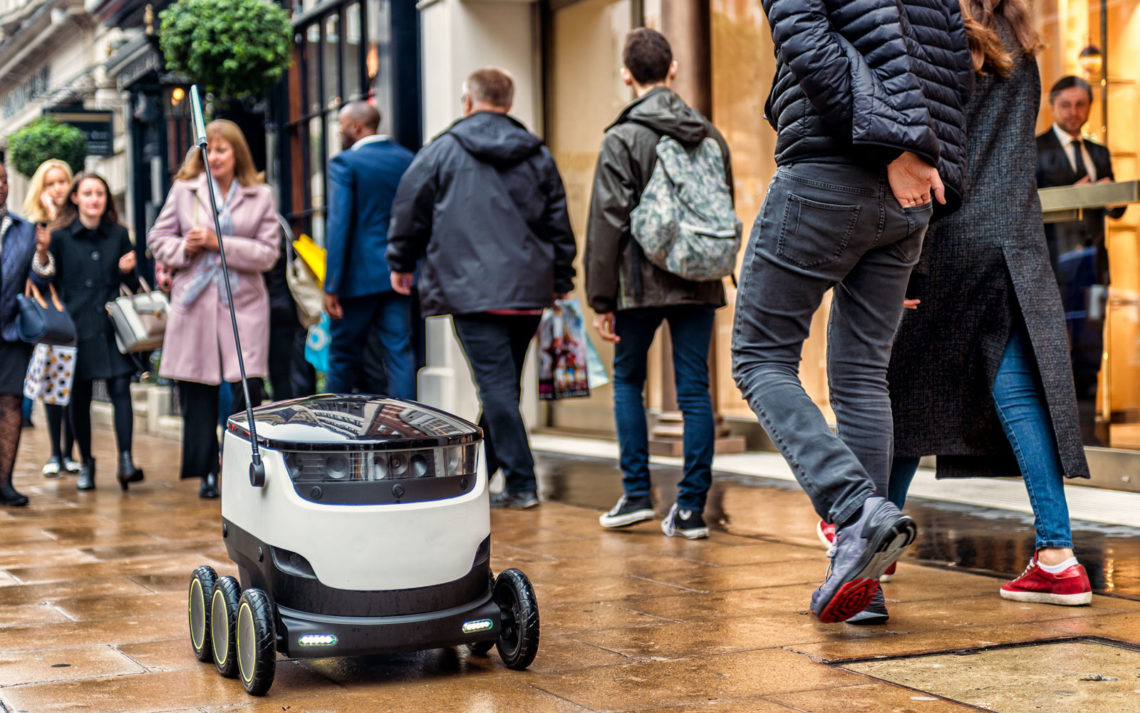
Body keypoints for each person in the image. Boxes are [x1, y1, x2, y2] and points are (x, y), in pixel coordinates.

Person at [730, 0, 972, 623]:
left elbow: (805, 38)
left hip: (835, 171)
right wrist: (924, 164)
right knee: (863, 376)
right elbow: (951, 72)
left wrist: (891, 147)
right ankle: (864, 579)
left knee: (760, 358)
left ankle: (854, 511)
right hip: (910, 194)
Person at [886, 0, 1093, 616]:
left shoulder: (944, 36)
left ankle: (874, 536)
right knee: (1018, 391)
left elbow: (930, 151)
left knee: (905, 385)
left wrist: (906, 258)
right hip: (1015, 237)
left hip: (952, 234)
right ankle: (1057, 555)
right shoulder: (1022, 41)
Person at [387, 67, 577, 510]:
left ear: (468, 102)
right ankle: (477, 478)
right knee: (502, 388)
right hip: (528, 291)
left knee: (496, 388)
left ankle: (522, 482)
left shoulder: (441, 151)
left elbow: (408, 209)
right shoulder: (537, 154)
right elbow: (558, 222)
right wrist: (563, 278)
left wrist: (400, 262)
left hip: (469, 290)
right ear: (508, 103)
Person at [587, 29, 731, 540]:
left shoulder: (622, 137)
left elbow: (608, 219)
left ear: (628, 75)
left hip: (637, 282)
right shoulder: (708, 134)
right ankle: (691, 510)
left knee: (628, 380)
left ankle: (635, 496)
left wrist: (600, 297)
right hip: (699, 277)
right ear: (672, 71)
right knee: (695, 390)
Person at [148, 120, 279, 499]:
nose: (215, 156)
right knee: (198, 392)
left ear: (237, 153)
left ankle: (240, 465)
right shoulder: (184, 191)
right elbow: (158, 238)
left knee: (246, 391)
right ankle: (206, 471)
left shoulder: (261, 195)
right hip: (195, 304)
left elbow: (268, 254)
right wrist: (185, 248)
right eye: (210, 150)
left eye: (222, 150)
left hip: (244, 305)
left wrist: (219, 243)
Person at [33, 172, 144, 492]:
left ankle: (125, 460)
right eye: (89, 193)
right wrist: (42, 254)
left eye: (100, 193)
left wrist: (129, 271)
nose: (95, 199)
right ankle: (86, 463)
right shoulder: (60, 236)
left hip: (112, 330)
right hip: (76, 330)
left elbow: (135, 285)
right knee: (77, 400)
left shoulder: (120, 234)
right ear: (76, 198)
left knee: (121, 391)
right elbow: (44, 283)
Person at [1036, 75, 1126, 445]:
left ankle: (1087, 435)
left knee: (1090, 347)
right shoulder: (1036, 148)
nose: (1074, 113)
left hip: (1093, 265)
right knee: (1056, 349)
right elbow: (1027, 204)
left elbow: (1117, 209)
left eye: (1081, 105)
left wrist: (1105, 196)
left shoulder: (1099, 151)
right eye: (1066, 105)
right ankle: (1056, 437)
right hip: (1054, 266)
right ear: (1053, 107)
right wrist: (1071, 195)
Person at [323, 101, 416, 398]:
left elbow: (339, 225)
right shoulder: (408, 160)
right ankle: (408, 433)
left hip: (357, 279)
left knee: (342, 357)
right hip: (399, 274)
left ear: (356, 127)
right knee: (399, 355)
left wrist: (331, 285)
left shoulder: (346, 163)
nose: (339, 131)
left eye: (341, 125)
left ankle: (328, 435)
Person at [23, 158, 79, 477]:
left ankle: (70, 452)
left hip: (77, 315)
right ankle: (55, 453)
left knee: (72, 389)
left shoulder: (76, 221)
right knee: (53, 389)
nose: (57, 188)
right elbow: (38, 275)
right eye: (50, 183)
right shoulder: (35, 225)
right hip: (50, 317)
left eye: (61, 182)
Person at [0, 163, 43, 506]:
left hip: (11, 331)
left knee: (11, 402)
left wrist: (43, 254)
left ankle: (4, 481)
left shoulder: (25, 230)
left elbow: (40, 282)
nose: (0, 186)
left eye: (2, 180)